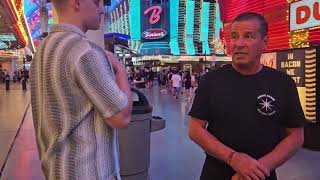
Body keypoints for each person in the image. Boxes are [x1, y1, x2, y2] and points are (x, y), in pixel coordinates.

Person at [188, 12, 305, 180]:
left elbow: (296, 136)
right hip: (216, 174)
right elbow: (195, 129)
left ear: (265, 42)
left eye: (248, 36)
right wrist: (233, 158)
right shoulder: (211, 81)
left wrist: (258, 169)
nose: (238, 44)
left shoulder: (283, 83)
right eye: (234, 37)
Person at [30, 0, 132, 179]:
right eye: (96, 2)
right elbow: (121, 117)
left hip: (58, 170)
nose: (101, 10)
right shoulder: (85, 51)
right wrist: (120, 69)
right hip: (90, 173)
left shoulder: (42, 50)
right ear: (76, 3)